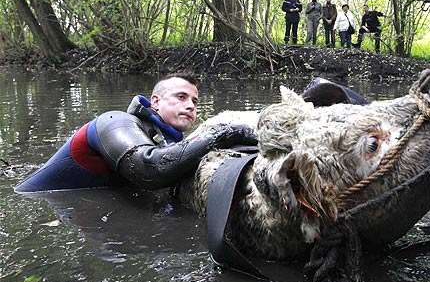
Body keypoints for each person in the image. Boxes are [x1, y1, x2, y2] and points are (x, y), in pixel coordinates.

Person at [15, 72, 258, 193]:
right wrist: (227, 131)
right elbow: (149, 169)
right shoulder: (114, 122)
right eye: (181, 97)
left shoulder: (171, 146)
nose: (191, 106)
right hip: (35, 200)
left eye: (195, 101)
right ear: (155, 102)